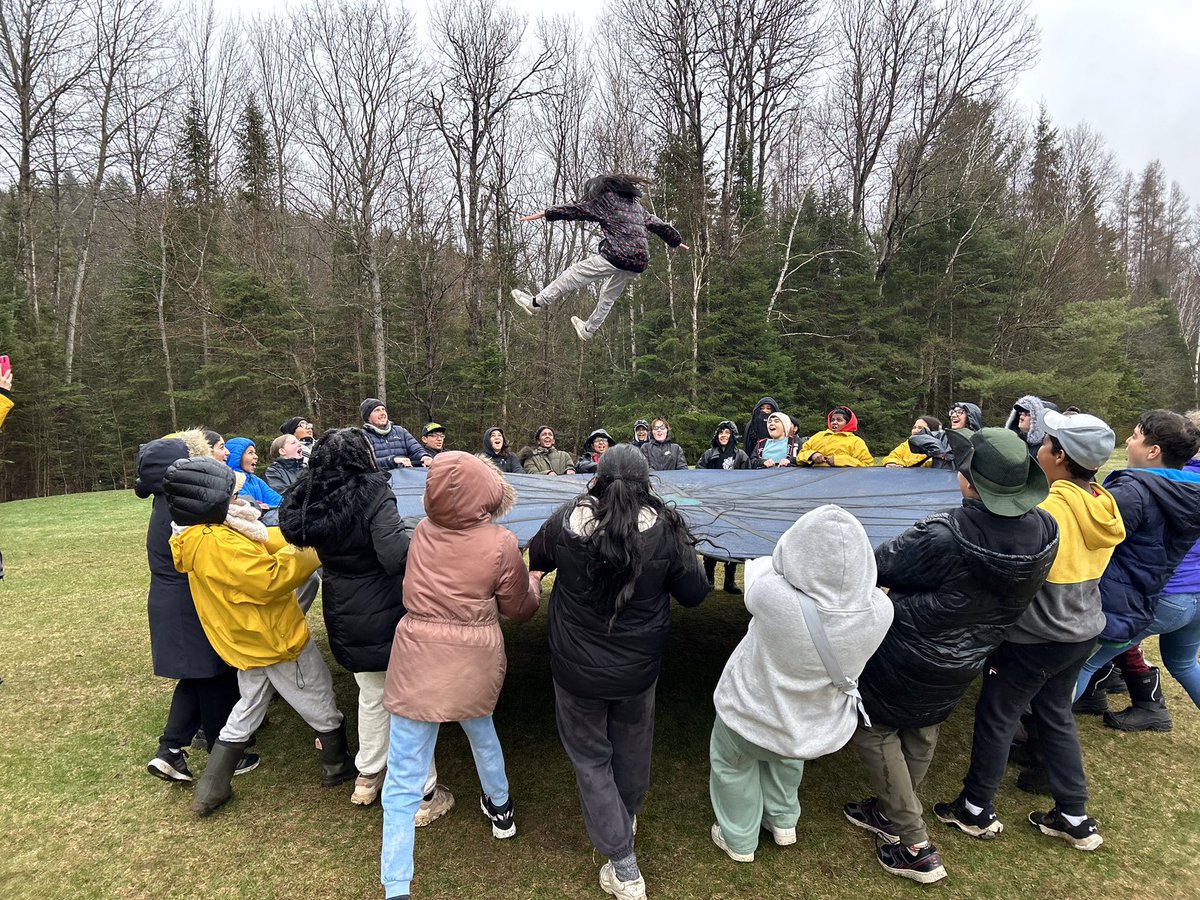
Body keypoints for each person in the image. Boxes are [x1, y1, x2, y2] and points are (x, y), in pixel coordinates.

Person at [844, 427, 1058, 883]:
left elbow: (879, 565)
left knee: (873, 727)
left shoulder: (944, 534)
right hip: (969, 654)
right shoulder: (1046, 529)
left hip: (906, 650)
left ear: (970, 479)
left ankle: (914, 844)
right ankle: (888, 812)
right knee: (923, 725)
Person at [527, 445, 710, 900]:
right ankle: (622, 832)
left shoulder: (566, 522)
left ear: (597, 478)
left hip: (577, 670)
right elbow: (694, 593)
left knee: (592, 759)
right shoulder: (667, 529)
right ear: (647, 482)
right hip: (635, 670)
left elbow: (536, 558)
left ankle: (623, 864)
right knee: (631, 749)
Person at [934, 411, 1123, 853]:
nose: (1038, 446)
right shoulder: (1102, 502)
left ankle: (976, 809)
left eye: (1047, 442)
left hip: (1037, 634)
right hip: (1082, 630)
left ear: (1059, 455)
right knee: (1055, 715)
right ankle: (1074, 815)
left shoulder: (1048, 508)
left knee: (998, 714)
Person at [380, 452, 540, 900]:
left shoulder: (422, 532)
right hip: (472, 660)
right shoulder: (501, 542)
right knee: (482, 733)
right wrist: (535, 582)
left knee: (403, 776)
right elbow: (520, 610)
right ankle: (502, 810)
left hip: (416, 657)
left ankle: (397, 886)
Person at [279, 429, 454, 821]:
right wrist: (416, 531)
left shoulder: (313, 495)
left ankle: (368, 775)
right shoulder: (373, 491)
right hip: (383, 606)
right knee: (409, 701)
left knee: (372, 693)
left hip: (343, 607)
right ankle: (423, 794)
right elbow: (395, 556)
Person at [164, 457, 353, 817]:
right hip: (272, 637)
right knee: (315, 690)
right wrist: (314, 549)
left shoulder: (207, 532)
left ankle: (211, 788)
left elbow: (266, 539)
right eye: (232, 494)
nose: (239, 497)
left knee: (248, 706)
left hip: (247, 638)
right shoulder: (216, 542)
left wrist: (303, 532)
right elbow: (268, 578)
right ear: (210, 502)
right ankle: (336, 763)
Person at [709, 506, 892, 864]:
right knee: (786, 759)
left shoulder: (773, 597)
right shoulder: (880, 610)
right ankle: (783, 821)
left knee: (733, 765)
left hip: (749, 712)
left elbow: (766, 565)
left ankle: (739, 838)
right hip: (812, 720)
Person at [138, 431, 256, 784]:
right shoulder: (177, 507)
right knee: (213, 675)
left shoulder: (169, 501)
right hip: (186, 603)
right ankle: (224, 752)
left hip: (174, 602)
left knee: (197, 676)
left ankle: (170, 750)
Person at [1071, 409, 1200, 732]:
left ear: (1154, 451)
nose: (1128, 441)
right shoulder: (1192, 487)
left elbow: (1093, 536)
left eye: (1135, 436)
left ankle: (1042, 736)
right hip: (1195, 595)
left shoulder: (1135, 492)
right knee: (1183, 663)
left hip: (1164, 596)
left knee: (1084, 662)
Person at [511, 174, 689, 341]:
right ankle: (589, 330)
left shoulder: (607, 201)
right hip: (639, 261)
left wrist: (547, 213)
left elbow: (576, 210)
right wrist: (675, 241)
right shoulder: (636, 206)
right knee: (608, 294)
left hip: (618, 254)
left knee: (574, 274)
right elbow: (657, 224)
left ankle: (536, 303)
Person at [698, 421, 750, 594]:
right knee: (711, 540)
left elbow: (749, 480)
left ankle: (730, 581)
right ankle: (709, 580)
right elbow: (698, 473)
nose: (723, 435)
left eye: (727, 432)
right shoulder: (708, 454)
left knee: (733, 541)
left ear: (732, 435)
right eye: (721, 432)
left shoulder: (741, 456)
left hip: (734, 505)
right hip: (712, 505)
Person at [360, 399, 432, 471]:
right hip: (378, 480)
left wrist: (424, 456)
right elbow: (365, 463)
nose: (382, 413)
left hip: (405, 478)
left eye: (383, 409)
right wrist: (392, 460)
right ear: (368, 417)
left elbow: (416, 450)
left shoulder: (400, 431)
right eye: (377, 410)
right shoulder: (362, 437)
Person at [795, 407, 873, 467]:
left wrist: (838, 460)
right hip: (814, 479)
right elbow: (800, 456)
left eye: (839, 420)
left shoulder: (856, 441)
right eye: (832, 420)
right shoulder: (818, 436)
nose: (834, 422)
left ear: (848, 423)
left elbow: (867, 464)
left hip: (844, 480)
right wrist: (812, 455)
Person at [223, 437, 284, 508]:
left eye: (254, 453)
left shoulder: (255, 480)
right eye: (250, 453)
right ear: (236, 457)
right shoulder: (233, 480)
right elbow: (249, 504)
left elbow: (274, 497)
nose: (256, 456)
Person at [1005, 395, 1049, 459]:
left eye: (1027, 413)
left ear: (1037, 419)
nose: (1021, 416)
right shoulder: (1011, 443)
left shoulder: (1044, 449)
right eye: (1020, 412)